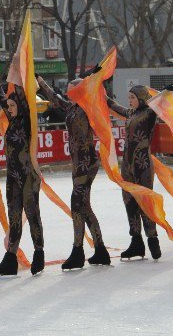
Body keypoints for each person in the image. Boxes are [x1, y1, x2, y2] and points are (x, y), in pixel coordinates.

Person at [38, 75, 110, 269]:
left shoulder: (88, 108)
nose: (68, 93)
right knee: (83, 206)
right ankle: (100, 249)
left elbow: (100, 98)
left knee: (77, 204)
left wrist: (92, 81)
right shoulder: (72, 107)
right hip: (78, 163)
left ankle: (78, 251)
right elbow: (55, 99)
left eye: (72, 90)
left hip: (86, 162)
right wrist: (40, 81)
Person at [0, 61, 45, 277]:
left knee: (32, 214)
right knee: (14, 218)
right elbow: (1, 96)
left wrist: (27, 76)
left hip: (29, 175)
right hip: (13, 176)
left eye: (12, 106)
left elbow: (25, 96)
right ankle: (10, 259)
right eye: (8, 107)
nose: (9, 109)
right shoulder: (12, 119)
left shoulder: (29, 120)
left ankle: (39, 253)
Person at [107, 85, 161, 260]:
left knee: (144, 202)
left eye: (132, 97)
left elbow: (162, 103)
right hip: (127, 165)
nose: (129, 101)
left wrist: (166, 93)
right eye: (128, 97)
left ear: (141, 98)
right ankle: (136, 241)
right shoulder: (130, 113)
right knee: (129, 202)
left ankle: (152, 239)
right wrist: (101, 93)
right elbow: (114, 106)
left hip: (142, 164)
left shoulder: (150, 113)